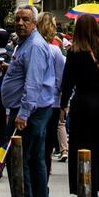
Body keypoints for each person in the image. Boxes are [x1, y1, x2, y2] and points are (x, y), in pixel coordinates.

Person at [0, 5, 56, 197]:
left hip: (30, 112)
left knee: (19, 161)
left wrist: (23, 114)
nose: (20, 23)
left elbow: (33, 83)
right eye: (17, 19)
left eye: (25, 19)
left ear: (34, 22)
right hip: (32, 110)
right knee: (34, 161)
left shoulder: (33, 46)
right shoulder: (24, 44)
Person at [60, 13, 99, 197]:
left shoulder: (74, 52)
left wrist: (62, 106)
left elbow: (67, 82)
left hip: (82, 104)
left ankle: (88, 194)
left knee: (82, 148)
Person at [37, 12, 67, 178]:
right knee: (47, 146)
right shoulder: (55, 51)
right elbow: (61, 79)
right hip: (53, 103)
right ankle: (44, 184)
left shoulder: (29, 46)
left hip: (33, 103)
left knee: (34, 146)